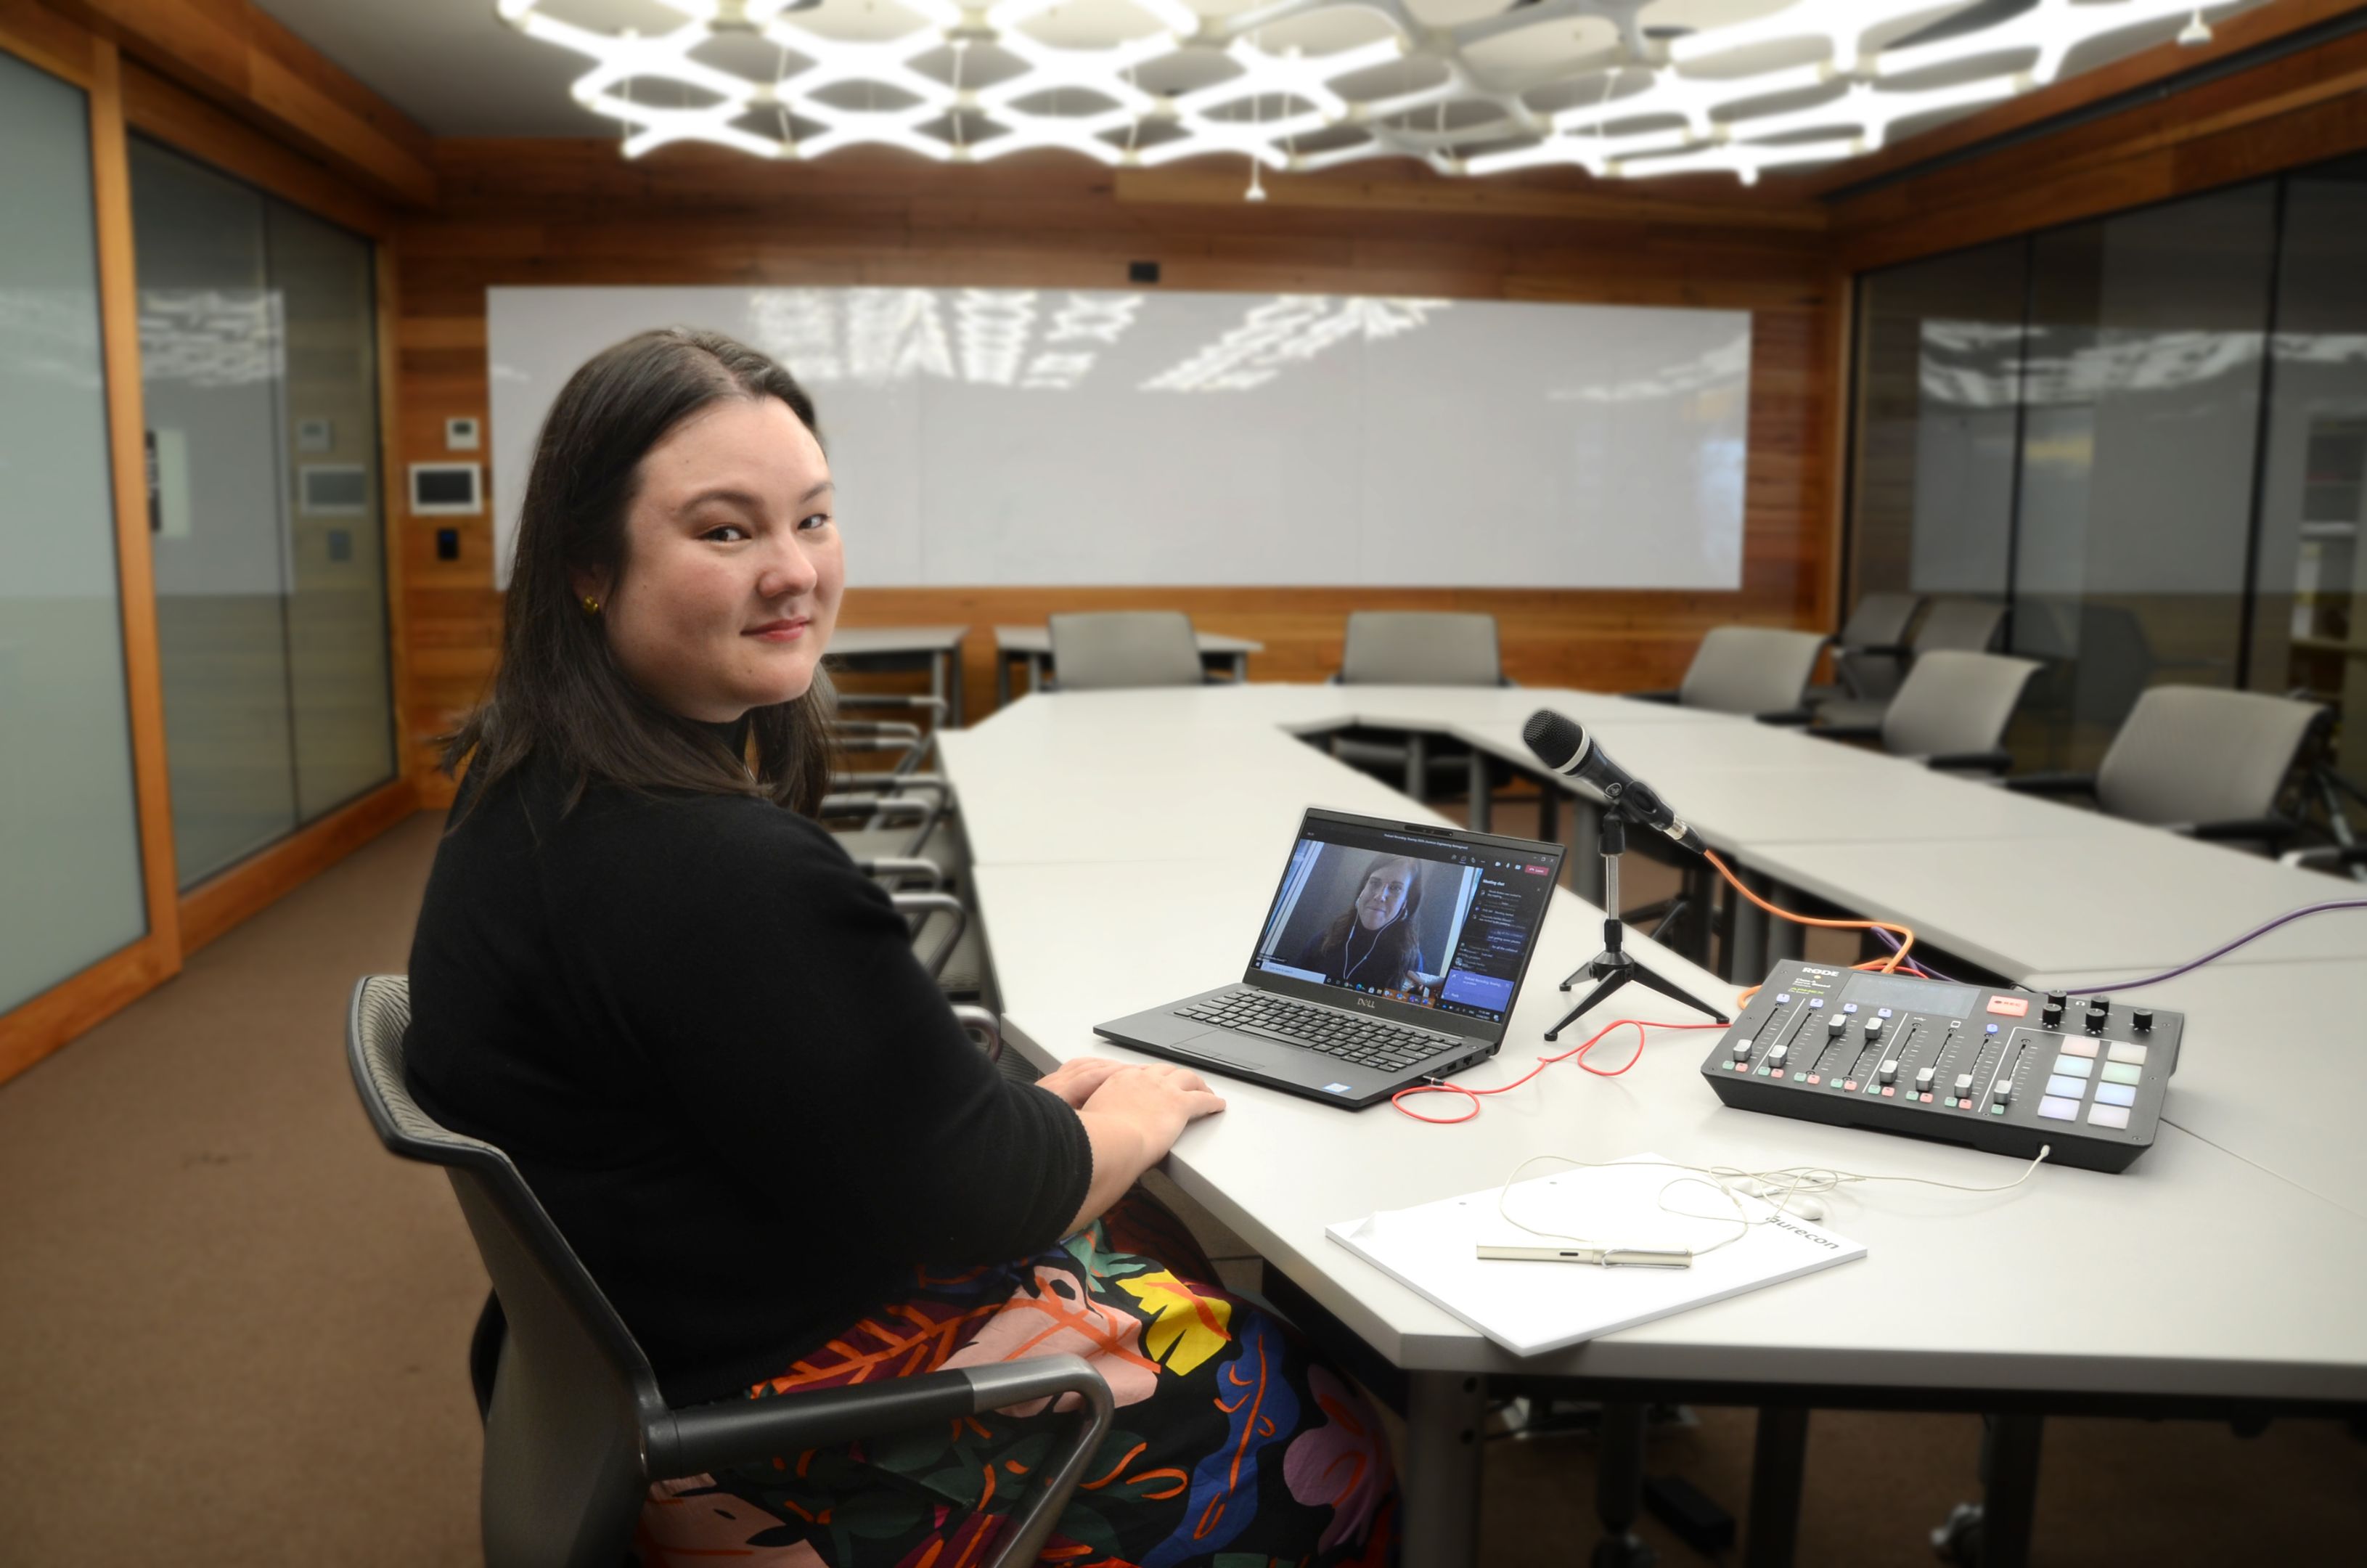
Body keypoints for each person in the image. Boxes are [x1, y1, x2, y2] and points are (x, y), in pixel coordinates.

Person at [402, 327, 1396, 1567]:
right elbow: (985, 1202)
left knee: (1155, 1245)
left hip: (675, 1334)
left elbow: (815, 1097)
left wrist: (1009, 1117)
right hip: (796, 1426)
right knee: (1326, 1423)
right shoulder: (715, 873)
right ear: (587, 567)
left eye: (812, 520)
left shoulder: (525, 792)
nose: (794, 573)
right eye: (725, 531)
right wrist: (1128, 1114)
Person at [1292, 852, 1427, 994]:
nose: (1380, 896)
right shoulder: (1325, 940)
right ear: (1363, 889)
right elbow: (1292, 989)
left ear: (1406, 902)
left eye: (1395, 888)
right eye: (1375, 883)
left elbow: (1408, 1013)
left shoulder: (1412, 960)